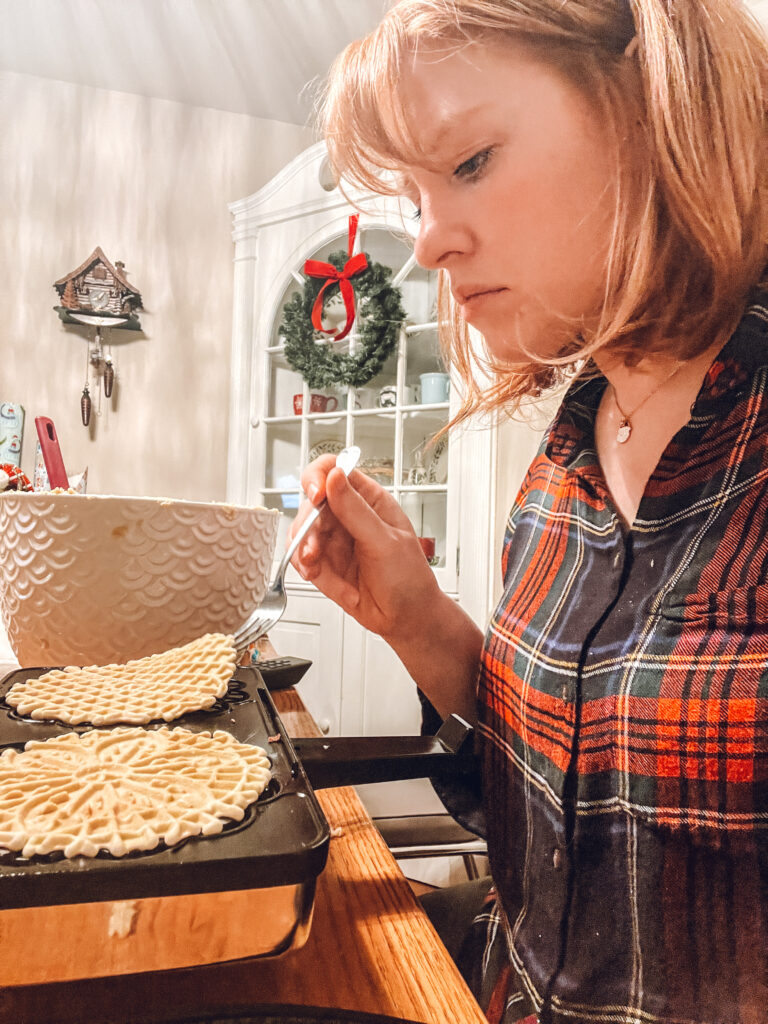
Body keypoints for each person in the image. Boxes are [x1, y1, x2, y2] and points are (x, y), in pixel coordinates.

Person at [289, 2, 768, 1021]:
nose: (426, 242)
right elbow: (546, 824)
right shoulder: (563, 459)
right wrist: (417, 620)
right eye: (411, 195)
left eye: (467, 163)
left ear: (654, 104)